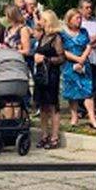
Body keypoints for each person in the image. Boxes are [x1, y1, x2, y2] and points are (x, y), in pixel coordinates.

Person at [61, 8, 96, 129]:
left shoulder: (83, 32)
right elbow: (62, 50)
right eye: (77, 18)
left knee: (88, 92)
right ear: (69, 19)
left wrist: (82, 59)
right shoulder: (62, 34)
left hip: (84, 65)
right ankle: (74, 117)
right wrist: (76, 59)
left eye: (80, 18)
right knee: (72, 92)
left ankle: (92, 118)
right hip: (69, 65)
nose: (79, 20)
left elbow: (88, 46)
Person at [32, 10, 66, 148]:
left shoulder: (56, 38)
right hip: (41, 74)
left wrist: (46, 59)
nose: (41, 22)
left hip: (51, 74)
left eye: (44, 20)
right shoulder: (42, 37)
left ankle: (54, 136)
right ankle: (44, 134)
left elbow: (62, 58)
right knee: (42, 105)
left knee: (52, 105)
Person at [2, 4, 33, 119]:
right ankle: (10, 122)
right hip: (8, 64)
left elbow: (26, 50)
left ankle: (22, 120)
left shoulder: (23, 29)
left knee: (19, 96)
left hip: (19, 64)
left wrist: (13, 51)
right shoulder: (8, 29)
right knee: (9, 97)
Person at [79, 0, 96, 118]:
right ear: (80, 9)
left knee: (94, 84)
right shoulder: (78, 22)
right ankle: (81, 109)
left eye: (91, 8)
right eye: (86, 8)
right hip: (81, 58)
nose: (89, 10)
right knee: (81, 84)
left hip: (95, 58)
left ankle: (94, 109)